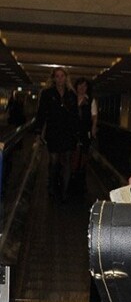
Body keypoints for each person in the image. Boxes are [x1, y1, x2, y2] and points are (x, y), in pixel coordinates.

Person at [35, 67, 79, 201]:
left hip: (67, 132)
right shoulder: (47, 93)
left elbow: (75, 115)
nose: (60, 79)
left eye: (62, 76)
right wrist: (38, 131)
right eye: (57, 76)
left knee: (66, 160)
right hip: (53, 132)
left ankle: (64, 191)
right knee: (54, 161)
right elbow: (41, 113)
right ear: (54, 78)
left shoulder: (71, 94)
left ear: (66, 78)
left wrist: (76, 134)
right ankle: (53, 186)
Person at [72, 76, 98, 192]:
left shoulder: (91, 100)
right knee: (72, 155)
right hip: (72, 132)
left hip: (84, 131)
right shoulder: (71, 99)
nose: (82, 88)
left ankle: (80, 180)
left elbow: (94, 117)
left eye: (84, 86)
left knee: (83, 155)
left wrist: (93, 129)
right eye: (80, 86)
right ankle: (70, 178)